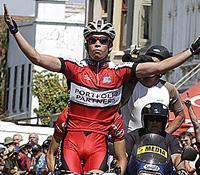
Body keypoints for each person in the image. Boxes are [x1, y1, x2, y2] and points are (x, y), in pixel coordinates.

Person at [4, 4, 200, 174]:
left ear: (110, 44)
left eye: (103, 40)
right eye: (92, 40)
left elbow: (159, 67)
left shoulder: (120, 72)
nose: (97, 44)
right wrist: (14, 30)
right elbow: (37, 58)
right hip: (73, 139)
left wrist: (191, 51)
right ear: (87, 44)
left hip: (99, 144)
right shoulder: (75, 68)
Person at [121, 45, 185, 134]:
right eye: (150, 64)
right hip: (130, 142)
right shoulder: (130, 84)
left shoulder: (169, 89)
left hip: (155, 143)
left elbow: (180, 116)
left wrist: (164, 134)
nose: (152, 68)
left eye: (156, 65)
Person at [125, 103, 185, 173]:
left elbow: (176, 157)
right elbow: (124, 155)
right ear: (145, 120)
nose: (154, 122)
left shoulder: (171, 139)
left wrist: (181, 169)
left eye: (159, 120)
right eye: (151, 119)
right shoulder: (134, 135)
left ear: (164, 122)